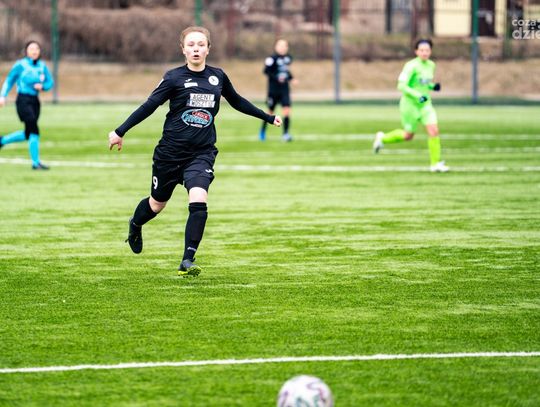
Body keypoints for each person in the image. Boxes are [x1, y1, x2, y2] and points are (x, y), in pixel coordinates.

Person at [108, 26, 281, 276]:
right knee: (156, 205)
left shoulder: (218, 77)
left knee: (199, 200)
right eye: (191, 45)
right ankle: (135, 224)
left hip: (201, 153)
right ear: (183, 49)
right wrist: (120, 131)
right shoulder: (173, 78)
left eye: (201, 44)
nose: (196, 49)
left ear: (208, 49)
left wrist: (267, 117)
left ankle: (187, 260)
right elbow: (149, 105)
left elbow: (237, 101)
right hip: (169, 154)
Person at [373, 39, 449, 173]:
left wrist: (433, 86)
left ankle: (435, 164)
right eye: (422, 50)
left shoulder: (431, 65)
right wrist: (417, 95)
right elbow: (401, 86)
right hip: (410, 106)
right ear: (416, 51)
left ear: (430, 51)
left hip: (425, 105)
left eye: (427, 50)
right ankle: (382, 138)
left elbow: (423, 84)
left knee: (434, 130)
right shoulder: (410, 66)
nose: (424, 53)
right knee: (408, 135)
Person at [0, 40, 54, 170]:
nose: (34, 51)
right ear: (26, 51)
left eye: (37, 49)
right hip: (23, 101)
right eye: (31, 49)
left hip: (35, 101)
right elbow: (9, 80)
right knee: (34, 129)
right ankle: (36, 163)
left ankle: (2, 141)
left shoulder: (42, 66)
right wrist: (2, 96)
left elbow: (50, 82)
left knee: (29, 133)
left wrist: (43, 86)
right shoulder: (21, 65)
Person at [259, 39, 294, 142]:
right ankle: (262, 131)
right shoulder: (271, 59)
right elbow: (266, 71)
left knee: (287, 110)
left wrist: (291, 78)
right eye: (280, 45)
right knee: (270, 113)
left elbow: (286, 71)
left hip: (284, 90)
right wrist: (277, 78)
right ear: (276, 47)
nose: (283, 48)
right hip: (273, 90)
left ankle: (286, 134)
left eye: (285, 46)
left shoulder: (288, 58)